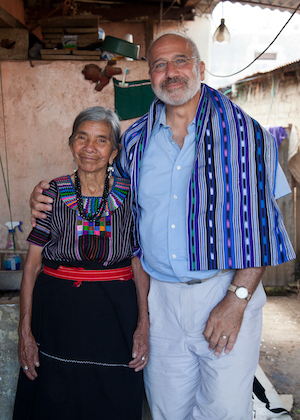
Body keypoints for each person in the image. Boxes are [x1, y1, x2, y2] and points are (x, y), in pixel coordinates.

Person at [30, 33, 295, 420]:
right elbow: (98, 188)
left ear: (201, 69)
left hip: (222, 291)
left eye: (180, 61)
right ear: (150, 76)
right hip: (160, 299)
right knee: (166, 409)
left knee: (224, 411)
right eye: (158, 65)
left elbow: (259, 225)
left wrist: (236, 301)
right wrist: (45, 195)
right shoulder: (135, 142)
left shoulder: (246, 135)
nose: (170, 73)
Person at [14, 106, 149, 420]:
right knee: (54, 397)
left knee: (112, 396)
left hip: (116, 317)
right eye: (82, 138)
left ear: (114, 152)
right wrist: (25, 332)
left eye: (102, 141)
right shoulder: (52, 194)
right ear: (71, 143)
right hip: (57, 317)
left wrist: (143, 324)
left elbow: (138, 263)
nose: (90, 148)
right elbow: (32, 265)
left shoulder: (131, 195)